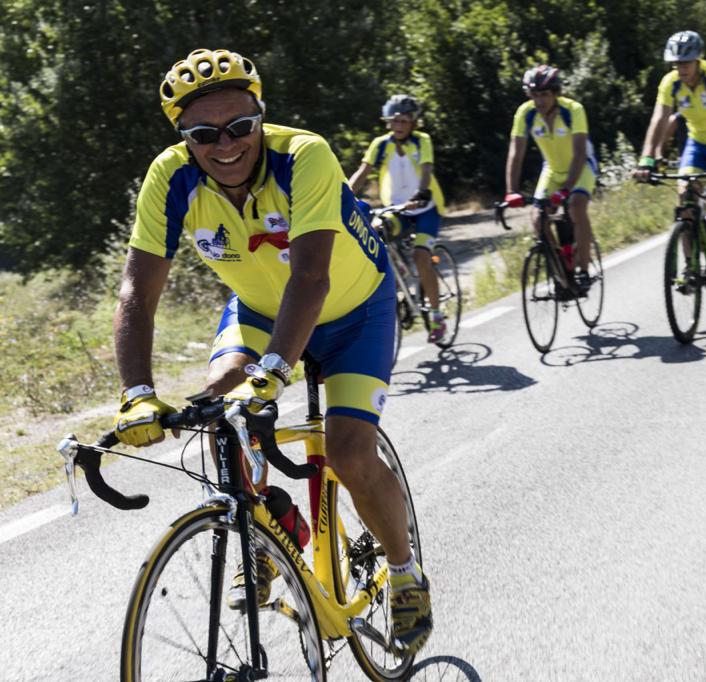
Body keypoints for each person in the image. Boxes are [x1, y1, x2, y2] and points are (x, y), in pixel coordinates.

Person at [112, 49, 432, 654]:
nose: (226, 144)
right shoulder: (170, 176)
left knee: (346, 449)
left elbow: (311, 279)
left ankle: (404, 570)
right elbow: (137, 288)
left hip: (352, 310)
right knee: (216, 406)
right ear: (184, 138)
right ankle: (267, 525)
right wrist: (136, 394)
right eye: (204, 133)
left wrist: (277, 372)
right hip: (260, 312)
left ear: (262, 117)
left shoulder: (303, 155)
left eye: (241, 126)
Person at [634, 30, 706, 273]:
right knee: (684, 194)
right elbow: (659, 118)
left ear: (698, 59)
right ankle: (690, 265)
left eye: (686, 62)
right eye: (677, 64)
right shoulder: (670, 82)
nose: (682, 68)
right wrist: (647, 158)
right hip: (697, 143)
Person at [348, 94, 449, 342]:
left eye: (404, 121)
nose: (400, 126)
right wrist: (342, 196)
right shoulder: (380, 144)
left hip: (425, 209)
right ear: (388, 122)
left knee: (421, 257)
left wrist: (421, 193)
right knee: (376, 237)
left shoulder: (421, 141)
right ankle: (397, 279)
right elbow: (362, 173)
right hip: (397, 210)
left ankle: (437, 316)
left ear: (413, 122)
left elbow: (426, 169)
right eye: (395, 121)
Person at [505, 65, 598, 291]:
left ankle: (584, 269)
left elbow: (578, 154)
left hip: (581, 166)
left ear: (556, 93)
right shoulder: (525, 113)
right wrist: (511, 191)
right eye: (535, 95)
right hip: (553, 170)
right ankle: (562, 269)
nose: (540, 101)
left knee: (576, 206)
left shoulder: (573, 110)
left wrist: (566, 189)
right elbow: (516, 154)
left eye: (545, 94)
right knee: (538, 219)